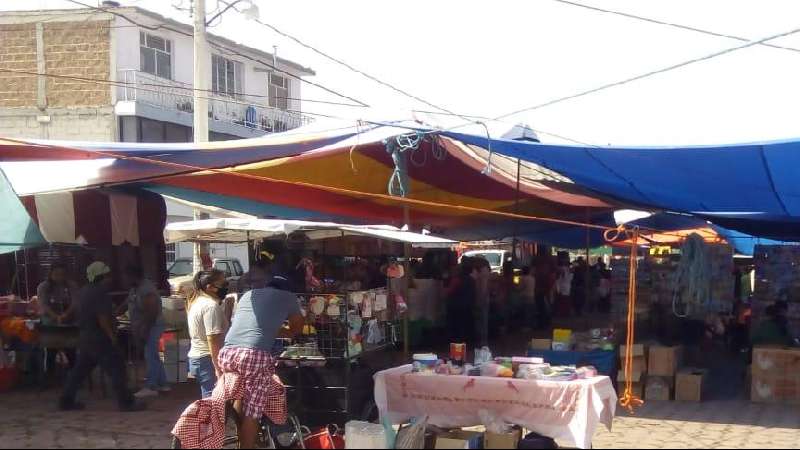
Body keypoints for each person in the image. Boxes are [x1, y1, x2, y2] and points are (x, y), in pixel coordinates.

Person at [221, 275, 305, 449]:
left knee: (240, 394)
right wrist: (289, 331)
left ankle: (241, 435)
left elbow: (250, 325)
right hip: (254, 356)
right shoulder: (289, 297)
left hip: (227, 352)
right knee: (253, 412)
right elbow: (297, 328)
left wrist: (273, 329)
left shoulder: (248, 295)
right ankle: (246, 444)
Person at [60, 262, 143, 412]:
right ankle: (126, 402)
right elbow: (102, 318)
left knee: (79, 371)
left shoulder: (84, 290)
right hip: (100, 337)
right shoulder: (99, 292)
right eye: (107, 275)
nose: (110, 279)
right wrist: (112, 336)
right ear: (102, 277)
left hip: (86, 337)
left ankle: (66, 400)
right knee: (117, 368)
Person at [119, 265, 170, 399]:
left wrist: (144, 330)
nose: (124, 279)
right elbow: (127, 303)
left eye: (126, 277)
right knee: (153, 355)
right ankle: (163, 383)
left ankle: (151, 386)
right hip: (143, 326)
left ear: (133, 276)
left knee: (150, 355)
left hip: (151, 326)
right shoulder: (135, 289)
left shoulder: (147, 289)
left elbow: (151, 312)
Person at [187, 270, 229, 399]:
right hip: (207, 358)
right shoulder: (210, 306)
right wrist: (218, 368)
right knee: (214, 401)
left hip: (200, 357)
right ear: (210, 287)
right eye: (223, 283)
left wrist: (228, 308)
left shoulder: (199, 302)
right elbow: (213, 339)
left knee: (211, 400)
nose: (226, 287)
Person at [447, 258, 479, 346]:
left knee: (457, 327)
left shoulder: (457, 279)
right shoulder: (472, 280)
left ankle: (457, 344)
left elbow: (449, 292)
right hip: (467, 306)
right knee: (466, 326)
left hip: (456, 307)